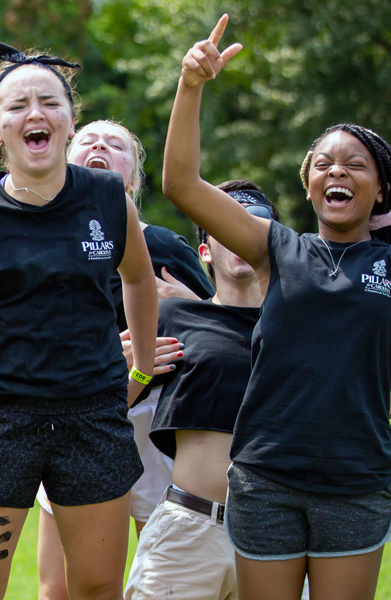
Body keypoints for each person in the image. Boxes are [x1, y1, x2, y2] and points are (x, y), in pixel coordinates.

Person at [163, 17, 391, 599]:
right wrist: (191, 85)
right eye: (324, 163)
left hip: (355, 485)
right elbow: (182, 183)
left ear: (380, 191)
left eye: (354, 164)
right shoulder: (276, 248)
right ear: (308, 186)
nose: (337, 171)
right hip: (264, 483)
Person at [0, 42, 157, 600]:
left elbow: (140, 280)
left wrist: (139, 371)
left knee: (96, 588)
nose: (35, 114)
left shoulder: (108, 199)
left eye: (49, 102)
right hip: (0, 420)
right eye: (17, 106)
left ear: (71, 121)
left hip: (93, 418)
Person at [34, 119, 209, 600]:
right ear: (66, 159)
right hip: (72, 417)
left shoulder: (163, 245)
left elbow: (219, 329)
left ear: (132, 177)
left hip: (154, 423)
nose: (100, 147)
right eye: (88, 140)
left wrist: (188, 304)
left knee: (161, 580)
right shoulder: (38, 239)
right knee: (59, 586)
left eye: (116, 145)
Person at [123, 181, 274, 600]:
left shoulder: (300, 327)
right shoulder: (174, 315)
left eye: (254, 226)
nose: (240, 236)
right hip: (190, 530)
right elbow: (107, 409)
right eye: (226, 229)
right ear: (205, 252)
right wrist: (131, 374)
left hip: (275, 535)